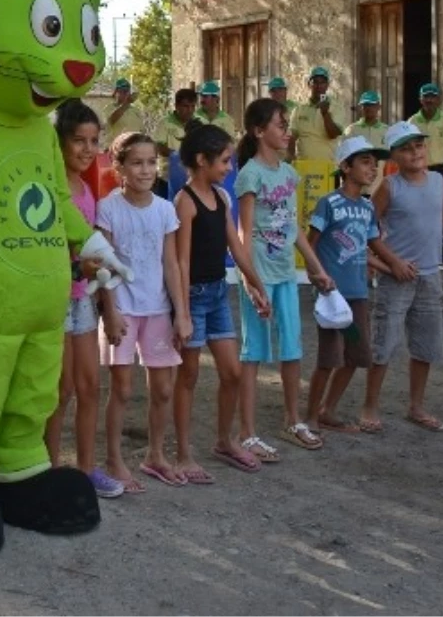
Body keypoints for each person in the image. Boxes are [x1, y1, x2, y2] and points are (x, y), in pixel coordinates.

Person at [361, 121, 443, 434]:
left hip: (431, 275)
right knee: (384, 345)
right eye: (406, 148)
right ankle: (369, 406)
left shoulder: (436, 181)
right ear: (393, 156)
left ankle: (416, 406)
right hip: (397, 276)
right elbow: (368, 227)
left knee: (425, 345)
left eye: (418, 145)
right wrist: (390, 262)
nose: (415, 152)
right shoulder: (390, 186)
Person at [234, 98, 335, 461]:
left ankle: (292, 421)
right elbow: (243, 234)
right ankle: (246, 433)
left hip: (285, 277)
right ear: (259, 131)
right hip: (259, 276)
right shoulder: (250, 174)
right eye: (280, 124)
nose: (286, 131)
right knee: (254, 352)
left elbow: (293, 229)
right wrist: (249, 280)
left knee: (291, 347)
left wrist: (315, 267)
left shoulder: (289, 174)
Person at [172, 124, 269, 479]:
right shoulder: (184, 203)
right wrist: (182, 312)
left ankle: (224, 441)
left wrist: (257, 285)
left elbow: (236, 246)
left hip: (217, 295)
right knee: (189, 376)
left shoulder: (222, 198)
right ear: (202, 160)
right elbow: (180, 261)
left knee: (232, 373)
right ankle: (183, 454)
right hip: (194, 298)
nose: (230, 168)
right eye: (225, 160)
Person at [95, 132, 190, 491]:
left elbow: (171, 263)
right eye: (136, 162)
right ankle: (114, 460)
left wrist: (181, 313)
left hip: (158, 311)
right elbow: (104, 263)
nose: (146, 170)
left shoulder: (165, 210)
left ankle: (155, 454)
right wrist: (111, 311)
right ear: (119, 167)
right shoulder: (108, 208)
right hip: (122, 310)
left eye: (152, 162)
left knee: (163, 389)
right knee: (120, 388)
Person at [43, 102, 123, 498]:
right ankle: (50, 470)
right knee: (60, 390)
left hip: (82, 302)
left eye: (94, 141)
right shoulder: (48, 188)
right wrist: (81, 269)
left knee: (90, 385)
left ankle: (87, 470)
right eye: (79, 140)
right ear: (59, 142)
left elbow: (92, 251)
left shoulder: (89, 190)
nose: (88, 149)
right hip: (55, 300)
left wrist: (108, 303)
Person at [303, 137, 410, 433]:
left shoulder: (366, 207)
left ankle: (328, 409)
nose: (372, 168)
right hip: (332, 297)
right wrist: (318, 278)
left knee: (356, 355)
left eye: (374, 164)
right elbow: (309, 246)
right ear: (345, 166)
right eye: (364, 162)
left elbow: (370, 243)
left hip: (358, 296)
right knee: (328, 358)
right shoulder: (329, 203)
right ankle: (311, 415)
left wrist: (393, 266)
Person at [409, 84, 443, 264]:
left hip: (441, 169)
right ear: (420, 99)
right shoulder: (413, 122)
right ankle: (422, 251)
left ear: (438, 99)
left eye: (433, 96)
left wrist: (442, 158)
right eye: (426, 97)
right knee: (419, 209)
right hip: (420, 170)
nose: (429, 100)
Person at [288, 66, 345, 163]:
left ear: (327, 85)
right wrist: (291, 157)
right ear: (309, 85)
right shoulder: (299, 109)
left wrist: (325, 114)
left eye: (322, 82)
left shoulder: (336, 107)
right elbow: (292, 137)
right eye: (315, 82)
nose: (319, 86)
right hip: (304, 166)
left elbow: (333, 134)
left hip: (328, 167)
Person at [152, 87, 198, 196]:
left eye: (193, 106)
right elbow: (158, 146)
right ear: (177, 106)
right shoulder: (164, 123)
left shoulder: (197, 123)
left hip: (191, 177)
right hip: (166, 177)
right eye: (186, 106)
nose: (190, 110)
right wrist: (177, 155)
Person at [106, 78, 144, 142]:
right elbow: (111, 120)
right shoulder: (109, 108)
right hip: (116, 148)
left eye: (127, 91)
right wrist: (127, 103)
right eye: (122, 91)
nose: (126, 94)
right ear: (116, 92)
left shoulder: (136, 110)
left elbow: (141, 130)